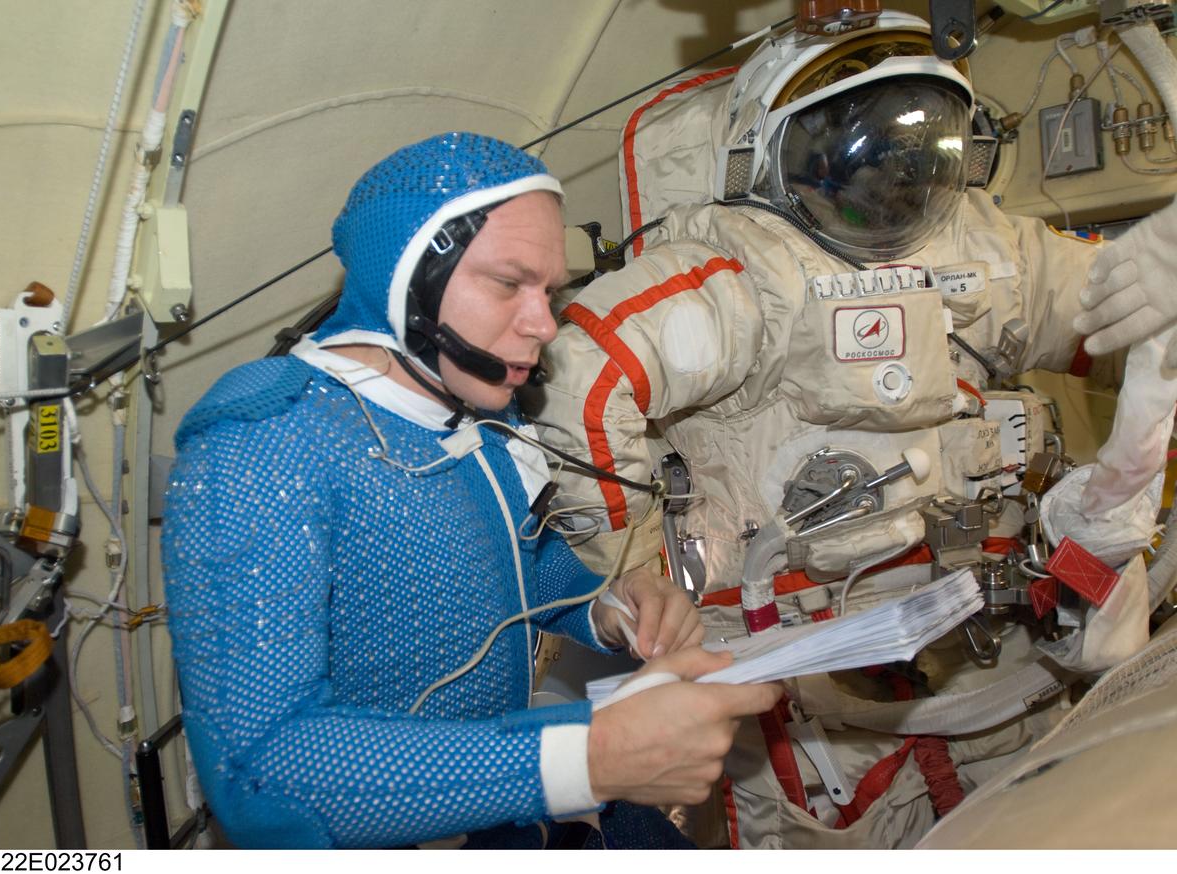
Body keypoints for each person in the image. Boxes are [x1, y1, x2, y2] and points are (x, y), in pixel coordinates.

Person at [530, 11, 1153, 849]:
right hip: (797, 655)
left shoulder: (990, 251)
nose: (889, 176)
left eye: (914, 149)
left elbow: (1138, 324)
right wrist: (639, 575)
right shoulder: (738, 269)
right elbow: (582, 381)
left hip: (987, 629)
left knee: (1039, 822)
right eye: (861, 146)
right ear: (775, 151)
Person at [161, 131, 782, 849]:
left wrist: (608, 607)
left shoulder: (476, 410)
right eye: (509, 284)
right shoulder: (260, 443)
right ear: (409, 281)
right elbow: (258, 773)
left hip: (512, 809)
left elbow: (521, 568)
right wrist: (588, 757)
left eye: (550, 291)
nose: (544, 325)